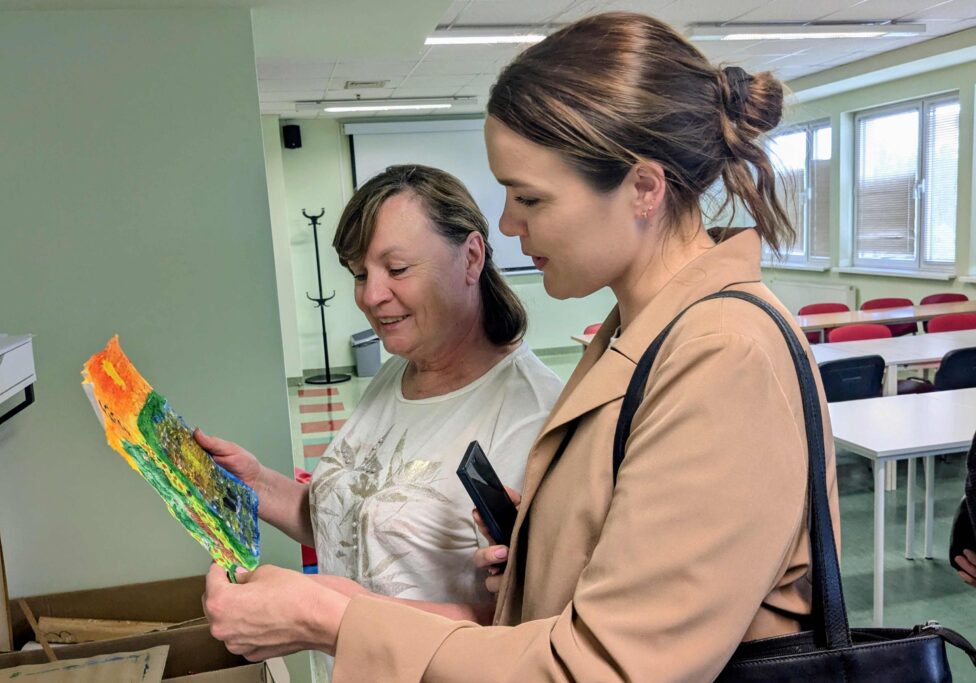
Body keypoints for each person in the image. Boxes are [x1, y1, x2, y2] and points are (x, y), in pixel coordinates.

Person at [202, 12, 842, 681]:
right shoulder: (638, 336)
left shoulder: (724, 355)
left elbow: (606, 668)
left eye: (529, 198)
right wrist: (528, 570)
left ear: (643, 189)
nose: (509, 224)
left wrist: (330, 619)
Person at [196, 163, 562, 677]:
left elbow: (519, 630)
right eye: (360, 274)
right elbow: (354, 523)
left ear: (471, 257)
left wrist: (317, 615)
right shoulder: (396, 373)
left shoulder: (533, 414)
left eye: (397, 269)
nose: (371, 296)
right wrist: (257, 484)